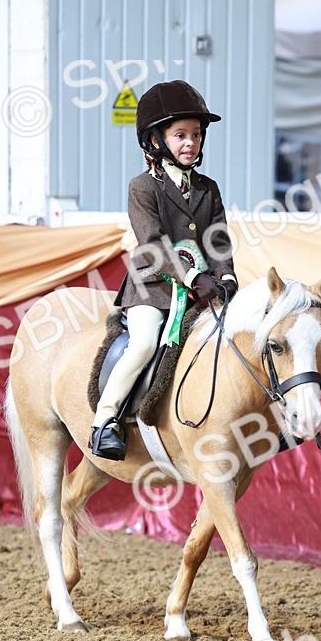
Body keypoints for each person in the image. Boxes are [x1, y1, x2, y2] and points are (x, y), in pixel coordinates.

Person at [89, 80, 238, 460]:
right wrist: (191, 278)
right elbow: (153, 243)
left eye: (196, 135)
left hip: (201, 292)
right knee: (143, 344)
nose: (191, 143)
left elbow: (217, 240)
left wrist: (227, 278)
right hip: (152, 290)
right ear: (155, 141)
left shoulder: (208, 188)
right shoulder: (142, 188)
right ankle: (105, 421)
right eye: (180, 135)